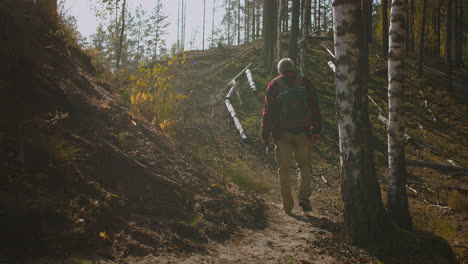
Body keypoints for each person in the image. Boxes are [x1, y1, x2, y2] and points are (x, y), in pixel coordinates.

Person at [261, 58, 321, 215]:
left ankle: (287, 206)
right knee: (305, 165)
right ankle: (304, 197)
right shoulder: (306, 82)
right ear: (293, 68)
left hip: (282, 134)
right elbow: (315, 107)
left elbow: (268, 112)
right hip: (303, 132)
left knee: (284, 169)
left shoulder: (273, 85)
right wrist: (316, 131)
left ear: (280, 70)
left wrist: (265, 134)